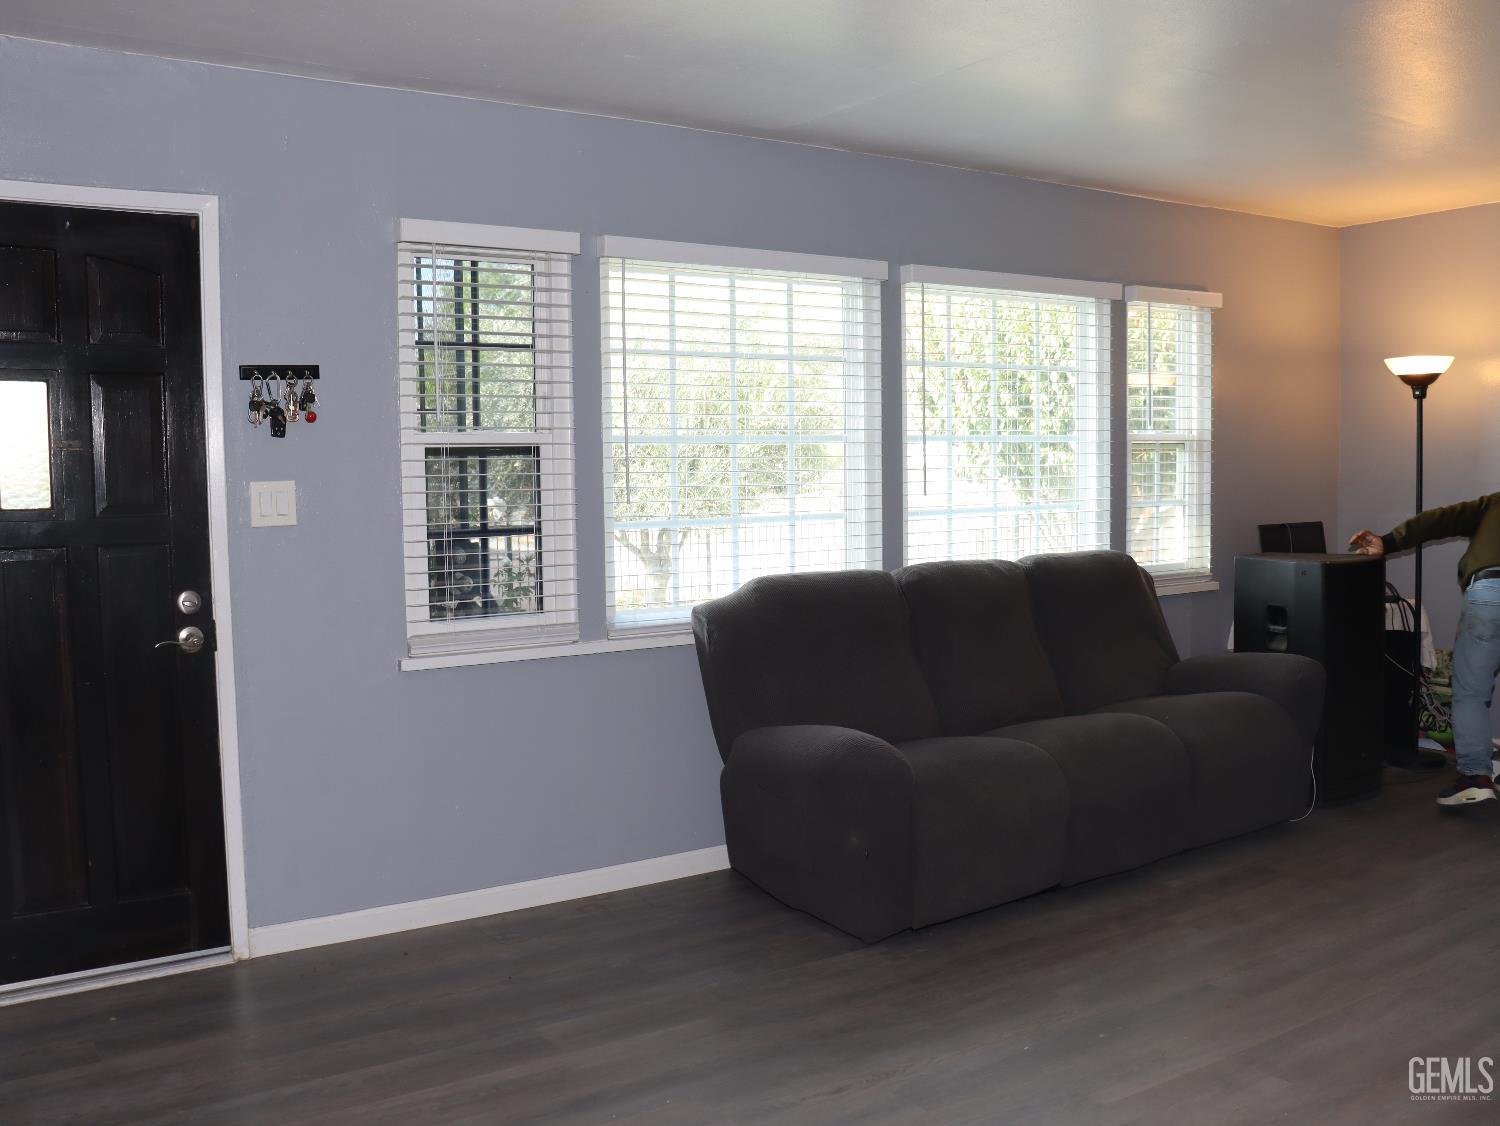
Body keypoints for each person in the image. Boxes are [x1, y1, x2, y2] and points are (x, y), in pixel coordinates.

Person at [1350, 493, 1500, 807]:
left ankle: (1475, 777)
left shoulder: (1496, 503)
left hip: (1491, 590)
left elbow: (1441, 519)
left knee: (1471, 691)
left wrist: (1388, 542)